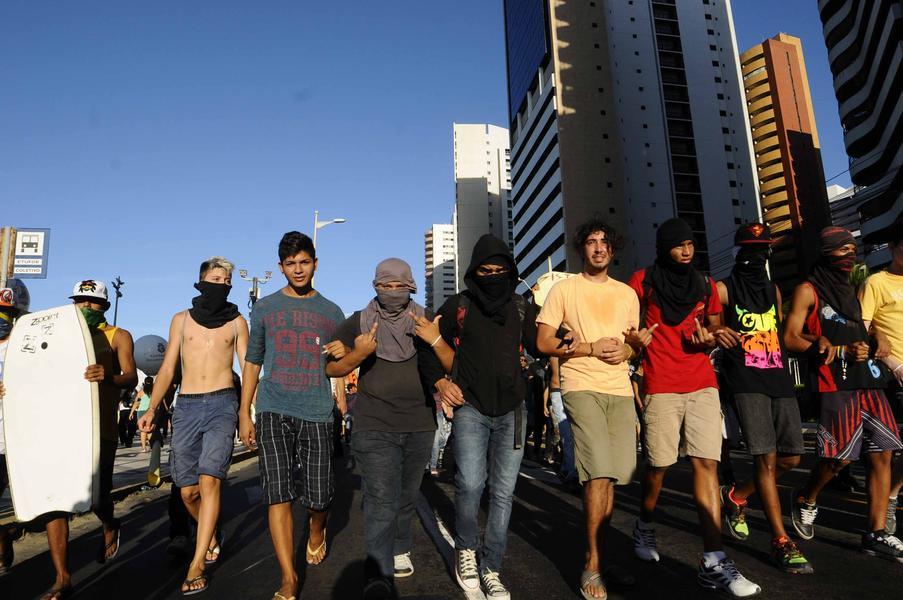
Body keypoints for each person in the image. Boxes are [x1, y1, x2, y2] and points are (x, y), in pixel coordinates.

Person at [627, 218, 760, 597]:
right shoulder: (643, 280)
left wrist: (713, 336)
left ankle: (714, 559)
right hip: (660, 383)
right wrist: (634, 340)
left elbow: (714, 326)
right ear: (663, 246)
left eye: (690, 244)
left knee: (707, 463)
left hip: (702, 382)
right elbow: (625, 321)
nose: (687, 251)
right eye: (679, 244)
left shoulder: (703, 283)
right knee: (660, 464)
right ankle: (645, 522)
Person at [418, 234, 539, 600]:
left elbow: (544, 342)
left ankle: (492, 567)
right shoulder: (459, 304)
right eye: (484, 270)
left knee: (503, 493)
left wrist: (575, 341)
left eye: (499, 271)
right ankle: (467, 550)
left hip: (513, 411)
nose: (492, 276)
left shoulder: (522, 308)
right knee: (470, 484)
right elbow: (427, 345)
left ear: (510, 272)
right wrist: (440, 381)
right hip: (471, 407)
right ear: (474, 271)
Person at [535, 219, 641, 599]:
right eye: (592, 242)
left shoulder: (628, 294)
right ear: (582, 249)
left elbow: (633, 344)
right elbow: (544, 342)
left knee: (613, 477)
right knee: (596, 474)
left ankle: (601, 554)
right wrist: (588, 348)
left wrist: (631, 348)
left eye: (605, 242)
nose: (599, 248)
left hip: (620, 391)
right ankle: (593, 566)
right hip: (580, 385)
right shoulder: (564, 289)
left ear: (614, 249)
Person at [783, 226, 903, 560]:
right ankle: (806, 496)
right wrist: (820, 343)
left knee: (883, 452)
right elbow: (790, 337)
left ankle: (875, 532)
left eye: (852, 249)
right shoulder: (808, 290)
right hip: (834, 382)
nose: (849, 255)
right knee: (839, 458)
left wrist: (879, 338)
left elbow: (864, 326)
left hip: (869, 379)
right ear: (826, 253)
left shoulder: (851, 289)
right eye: (841, 250)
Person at [238, 231, 345, 600]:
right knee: (277, 493)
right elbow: (253, 360)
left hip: (316, 410)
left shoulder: (332, 312)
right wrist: (244, 412)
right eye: (290, 264)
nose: (297, 270)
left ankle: (317, 530)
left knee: (319, 497)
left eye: (304, 262)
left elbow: (339, 364)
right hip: (272, 407)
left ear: (315, 263)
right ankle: (288, 577)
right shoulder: (264, 308)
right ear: (280, 267)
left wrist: (344, 354)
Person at [325, 258, 437, 598]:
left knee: (405, 496)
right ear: (375, 286)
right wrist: (358, 355)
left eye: (398, 286)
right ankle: (378, 572)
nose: (391, 292)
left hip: (419, 423)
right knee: (380, 498)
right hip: (374, 424)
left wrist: (435, 341)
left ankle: (400, 544)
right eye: (384, 286)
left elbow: (446, 362)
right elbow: (331, 369)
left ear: (410, 286)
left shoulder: (425, 318)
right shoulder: (359, 321)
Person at [138, 256, 248, 595]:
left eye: (225, 280)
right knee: (188, 492)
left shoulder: (237, 322)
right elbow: (169, 368)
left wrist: (249, 413)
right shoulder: (181, 321)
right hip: (186, 406)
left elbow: (247, 368)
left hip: (223, 403)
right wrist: (152, 408)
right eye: (214, 279)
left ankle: (197, 562)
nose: (220, 284)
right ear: (201, 282)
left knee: (210, 481)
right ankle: (210, 533)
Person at [713, 223, 812, 574]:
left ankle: (737, 496)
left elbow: (780, 333)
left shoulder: (772, 290)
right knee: (766, 460)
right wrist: (717, 331)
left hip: (778, 378)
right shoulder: (724, 288)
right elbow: (704, 322)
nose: (757, 256)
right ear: (739, 252)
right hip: (745, 379)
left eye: (763, 249)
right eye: (751, 249)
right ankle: (781, 539)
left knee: (793, 458)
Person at [39, 280, 138, 599]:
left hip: (100, 429)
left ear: (104, 306)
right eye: (79, 300)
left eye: (91, 301)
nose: (84, 306)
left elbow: (131, 376)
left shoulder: (118, 335)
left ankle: (110, 524)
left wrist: (107, 376)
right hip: (62, 429)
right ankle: (62, 578)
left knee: (98, 497)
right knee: (56, 503)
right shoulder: (59, 335)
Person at [859, 224, 903, 535]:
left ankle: (890, 494)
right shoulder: (876, 282)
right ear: (892, 247)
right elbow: (861, 326)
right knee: (886, 450)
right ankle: (886, 498)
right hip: (894, 374)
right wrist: (893, 362)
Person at [0, 279, 30, 578]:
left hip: (23, 439)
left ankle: (12, 531)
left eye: (7, 313)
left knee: (32, 501)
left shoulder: (28, 347)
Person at [131, 377, 154, 452]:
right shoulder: (154, 392)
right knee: (149, 429)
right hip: (150, 412)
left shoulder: (141, 392)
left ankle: (144, 448)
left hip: (141, 412)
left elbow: (136, 403)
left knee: (142, 431)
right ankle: (151, 446)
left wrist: (131, 412)